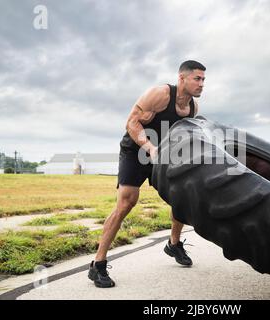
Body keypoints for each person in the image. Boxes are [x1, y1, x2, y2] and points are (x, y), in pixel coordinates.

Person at [88, 60, 206, 288]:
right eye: (197, 79)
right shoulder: (160, 94)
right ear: (182, 78)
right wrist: (150, 147)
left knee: (181, 198)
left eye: (203, 80)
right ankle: (98, 264)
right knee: (126, 203)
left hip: (161, 156)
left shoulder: (193, 108)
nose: (202, 84)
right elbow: (131, 122)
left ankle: (173, 245)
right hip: (135, 151)